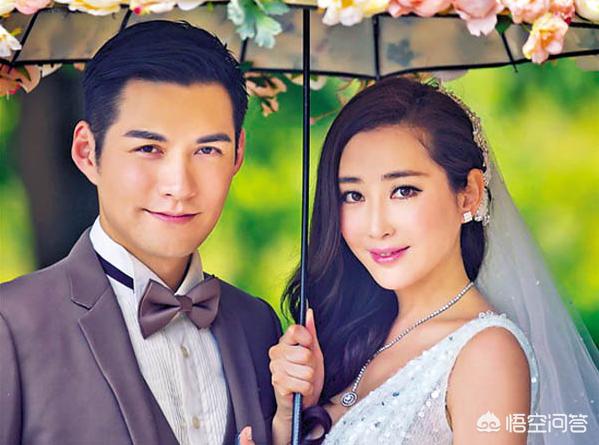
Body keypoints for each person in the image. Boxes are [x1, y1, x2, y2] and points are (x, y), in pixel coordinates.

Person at [267, 77, 599, 444]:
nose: (376, 227)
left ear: (469, 194)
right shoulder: (350, 338)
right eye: (353, 195)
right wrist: (291, 415)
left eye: (403, 191)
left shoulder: (487, 354)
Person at [0, 20, 280, 445]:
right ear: (87, 152)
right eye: (149, 148)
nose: (179, 186)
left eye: (207, 150)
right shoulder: (12, 323)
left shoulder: (259, 326)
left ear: (238, 153)